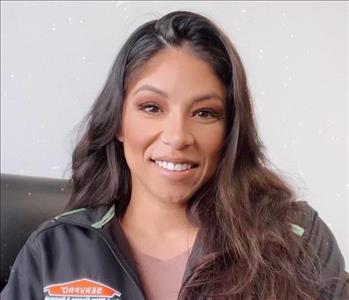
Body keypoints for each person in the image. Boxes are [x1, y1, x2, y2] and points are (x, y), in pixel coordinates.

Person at [1, 10, 348, 300]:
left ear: (230, 130)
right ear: (118, 122)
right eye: (152, 108)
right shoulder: (52, 253)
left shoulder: (296, 238)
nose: (178, 137)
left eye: (204, 113)